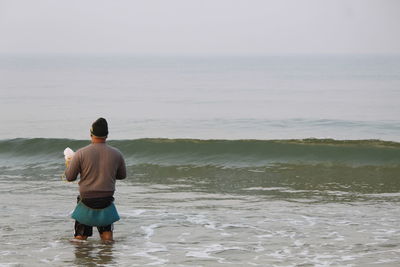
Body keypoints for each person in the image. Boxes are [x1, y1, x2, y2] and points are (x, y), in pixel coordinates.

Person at [65, 118, 126, 242]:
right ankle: (106, 257)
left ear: (91, 134)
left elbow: (70, 177)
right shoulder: (117, 154)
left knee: (80, 238)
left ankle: (82, 258)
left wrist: (69, 164)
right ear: (107, 135)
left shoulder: (81, 154)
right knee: (107, 237)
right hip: (107, 200)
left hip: (86, 200)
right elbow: (122, 175)